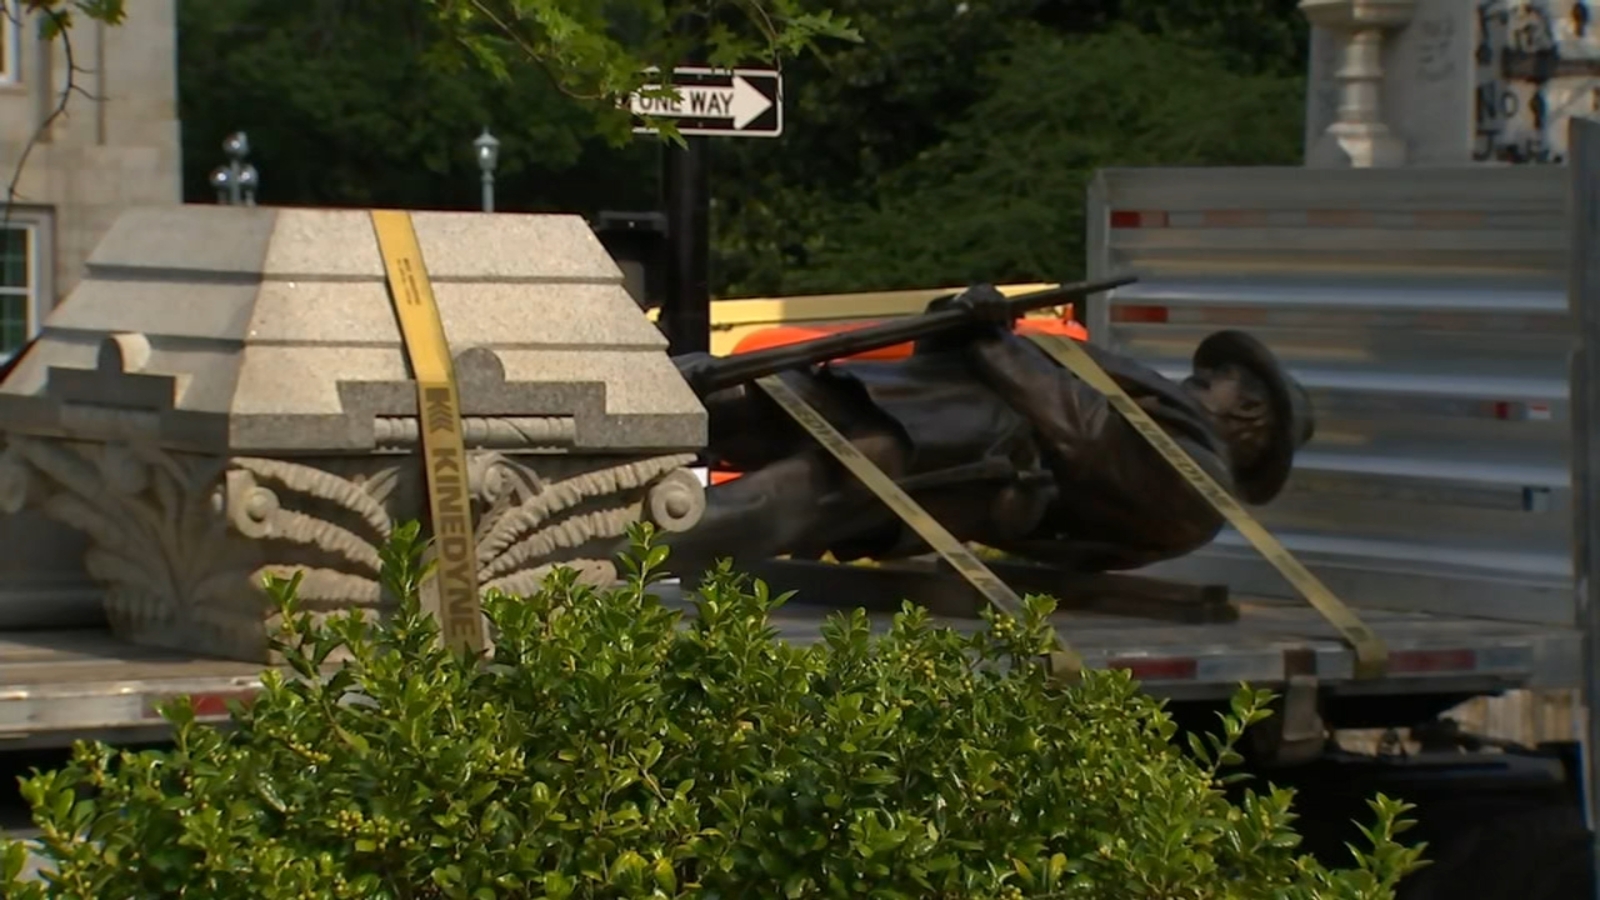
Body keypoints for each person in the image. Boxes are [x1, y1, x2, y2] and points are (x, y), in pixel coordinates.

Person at [663, 283, 1314, 576]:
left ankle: (607, 558)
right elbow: (974, 360)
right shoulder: (1169, 409)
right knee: (736, 394)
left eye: (1228, 376)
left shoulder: (1197, 487)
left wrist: (995, 340)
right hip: (919, 408)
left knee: (799, 491)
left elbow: (1083, 434)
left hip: (954, 464)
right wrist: (962, 322)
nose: (1211, 377)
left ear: (1250, 416)